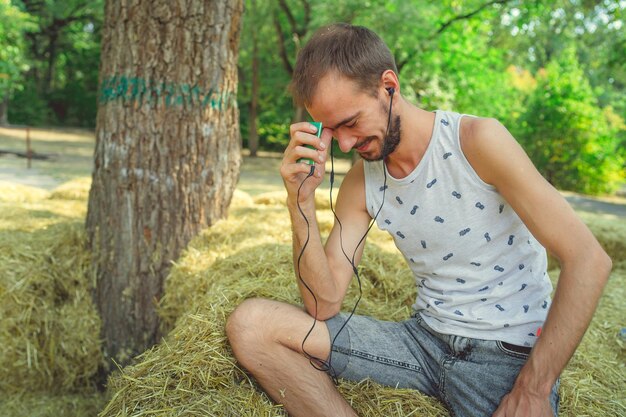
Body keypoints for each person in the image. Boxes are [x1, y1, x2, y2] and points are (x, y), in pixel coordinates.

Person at [225, 23, 612, 417]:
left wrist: (533, 390)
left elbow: (589, 259)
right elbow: (323, 304)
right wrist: (301, 203)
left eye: (350, 122)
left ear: (388, 86)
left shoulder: (478, 142)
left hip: (505, 357)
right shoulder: (362, 182)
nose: (343, 145)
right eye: (331, 131)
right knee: (251, 326)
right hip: (421, 343)